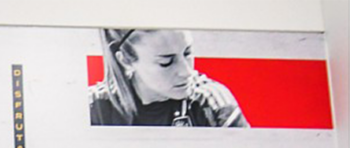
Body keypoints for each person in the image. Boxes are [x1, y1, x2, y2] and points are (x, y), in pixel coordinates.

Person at [89, 29, 249, 127]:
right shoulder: (93, 105)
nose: (187, 72)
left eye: (187, 53)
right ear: (125, 60)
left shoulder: (212, 102)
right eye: (166, 62)